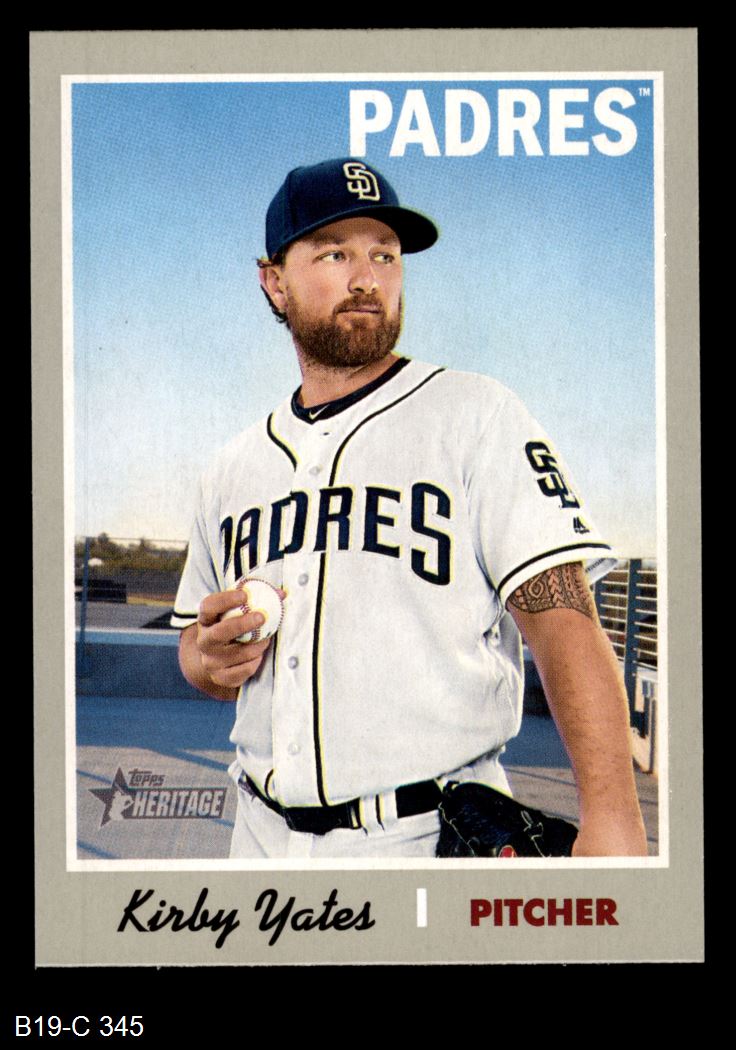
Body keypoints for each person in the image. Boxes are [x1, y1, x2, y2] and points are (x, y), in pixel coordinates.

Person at [172, 157, 647, 860]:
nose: (367, 278)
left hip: (427, 835)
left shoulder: (476, 414)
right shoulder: (232, 466)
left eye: (385, 255)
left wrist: (614, 824)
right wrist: (209, 660)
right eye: (334, 253)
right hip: (258, 837)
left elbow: (563, 621)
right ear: (273, 281)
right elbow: (194, 646)